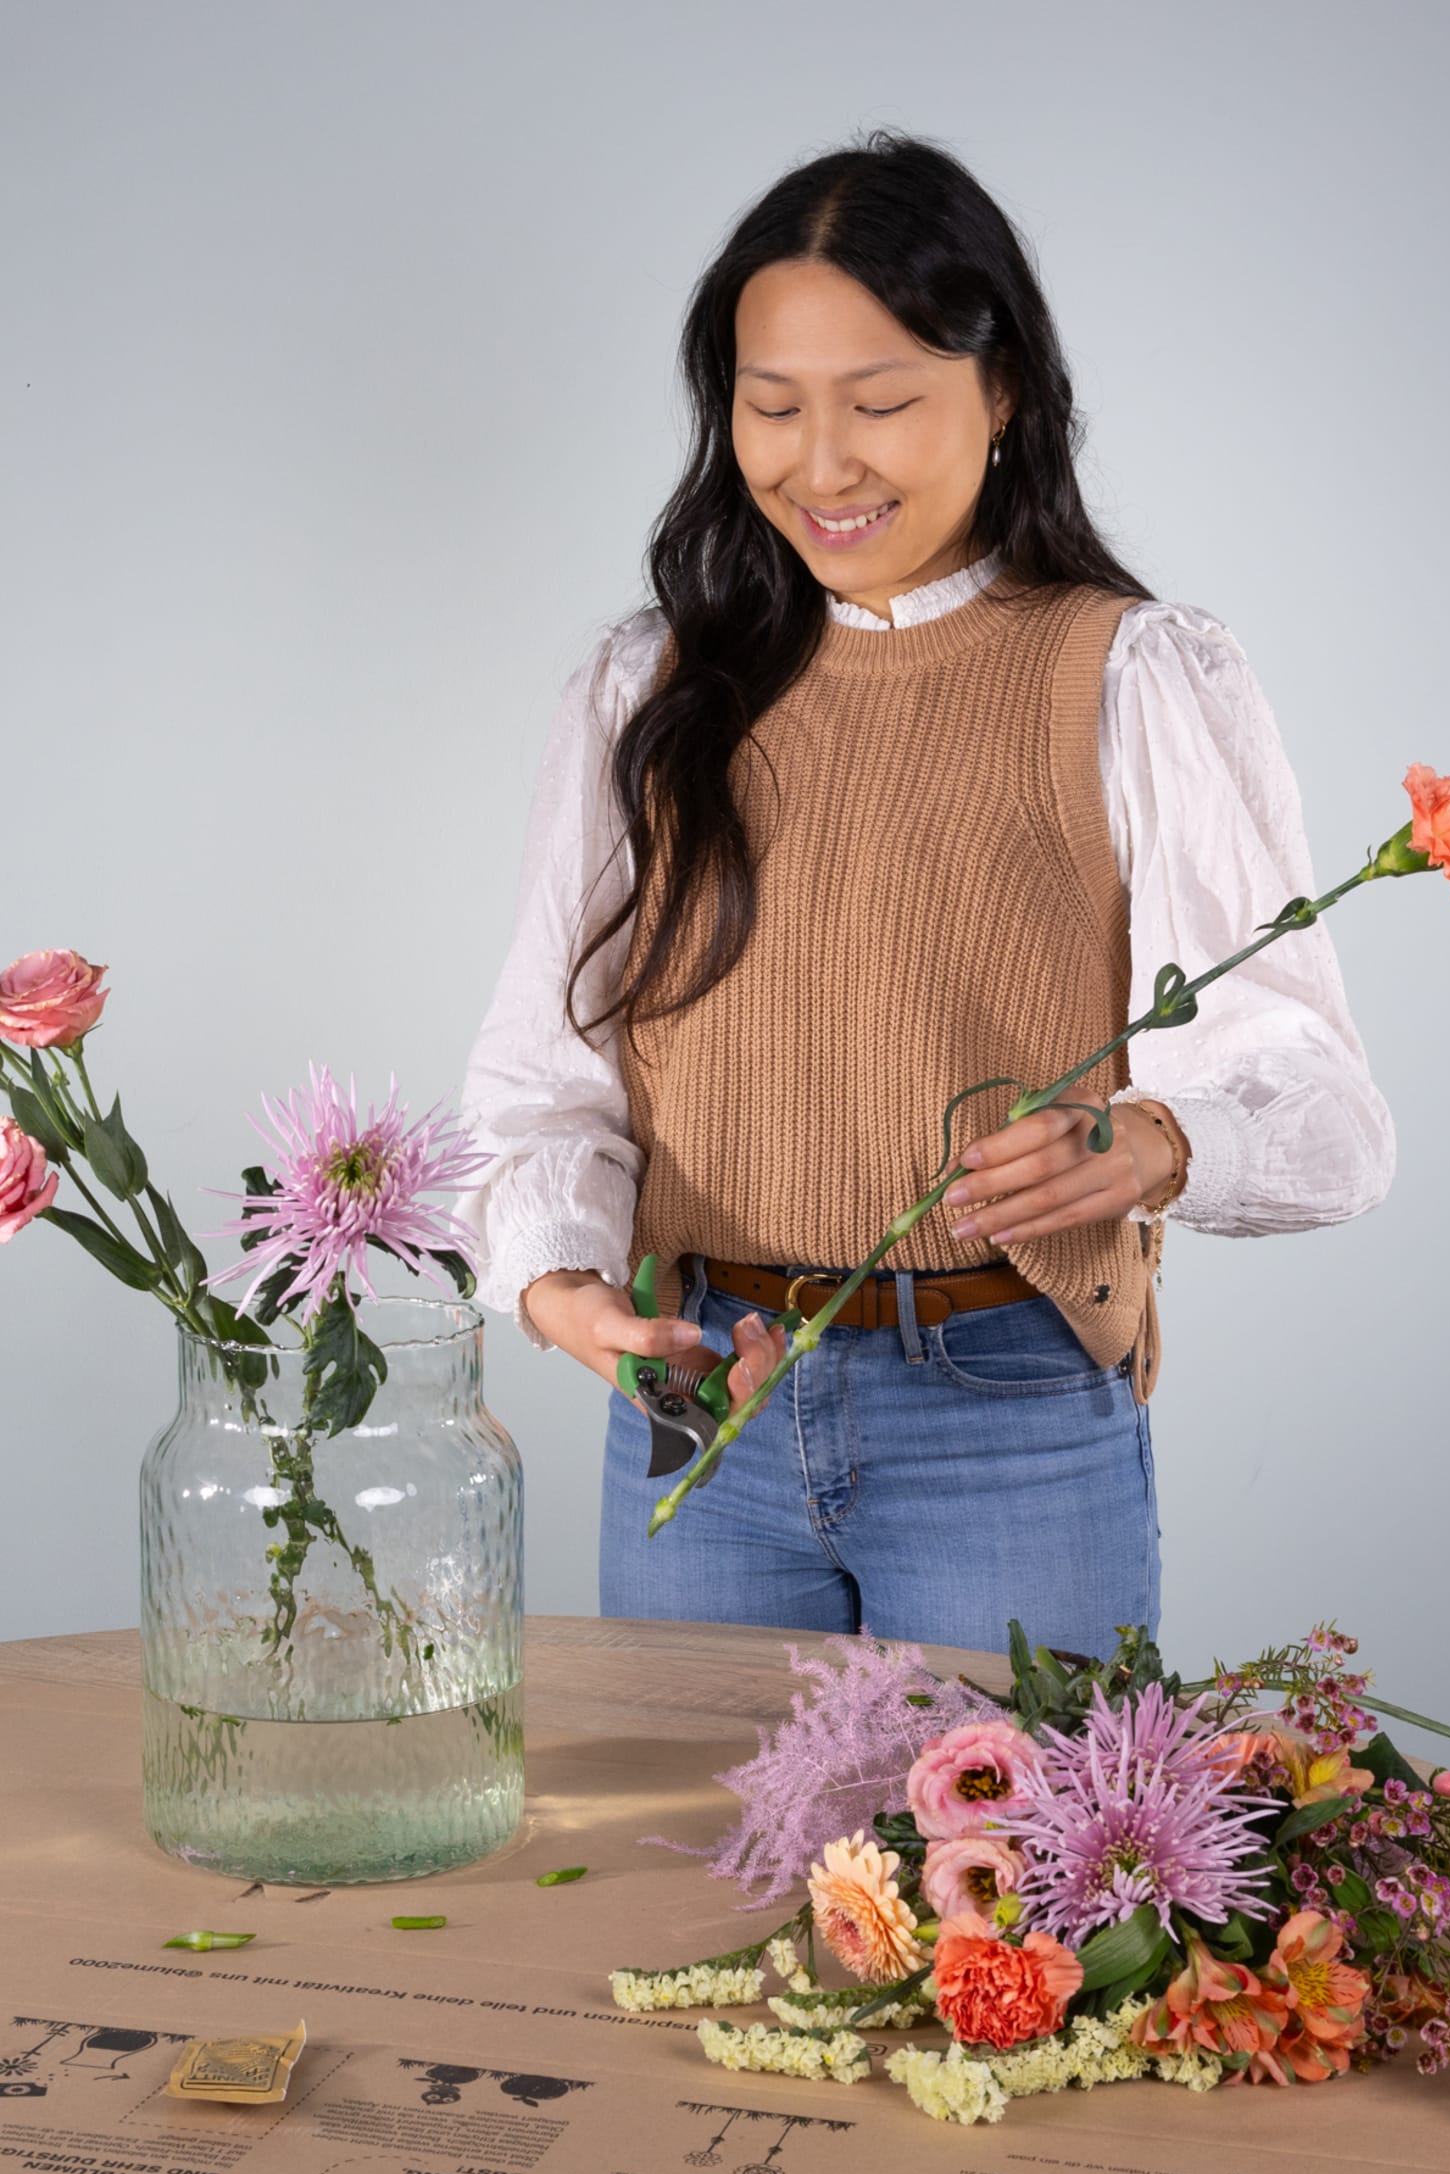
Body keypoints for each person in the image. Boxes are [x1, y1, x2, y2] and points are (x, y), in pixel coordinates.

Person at [451, 131, 1393, 1659]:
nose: (822, 464)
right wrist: (568, 1295)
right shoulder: (652, 688)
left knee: (1013, 1892)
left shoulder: (1132, 675)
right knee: (698, 1897)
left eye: (881, 404)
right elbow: (544, 1082)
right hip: (704, 1406)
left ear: (1004, 390)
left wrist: (1155, 1140)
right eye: (773, 408)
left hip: (1006, 1404)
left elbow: (1323, 1111)